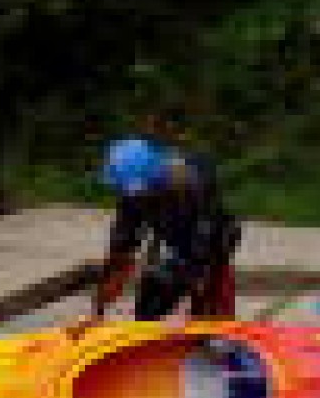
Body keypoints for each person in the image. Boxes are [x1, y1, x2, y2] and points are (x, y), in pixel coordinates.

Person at [91, 112, 241, 323]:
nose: (133, 198)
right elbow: (124, 237)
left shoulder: (193, 185)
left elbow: (210, 233)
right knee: (148, 304)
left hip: (212, 243)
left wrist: (200, 274)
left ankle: (214, 326)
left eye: (139, 192)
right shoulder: (134, 194)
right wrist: (110, 279)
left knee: (208, 309)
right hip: (174, 246)